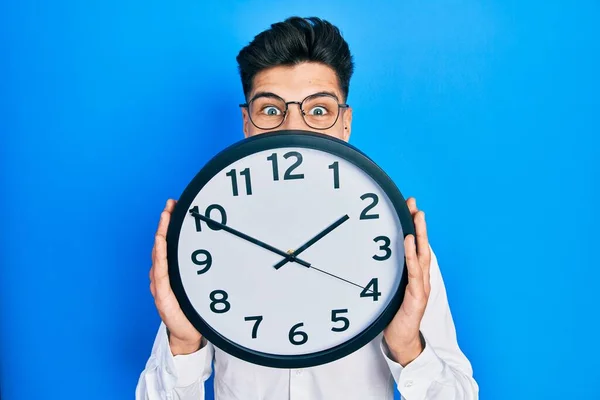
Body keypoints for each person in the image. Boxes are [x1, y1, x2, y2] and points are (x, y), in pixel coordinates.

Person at [136, 16, 478, 400]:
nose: (293, 129)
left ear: (345, 123)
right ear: (246, 123)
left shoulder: (397, 242)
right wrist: (183, 343)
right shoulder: (206, 239)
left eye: (318, 110)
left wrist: (407, 347)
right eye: (270, 110)